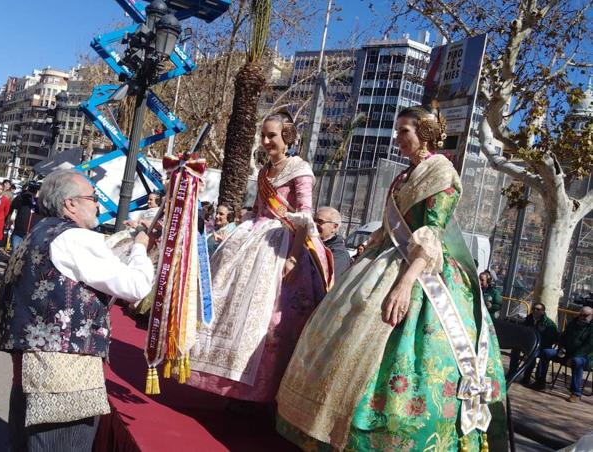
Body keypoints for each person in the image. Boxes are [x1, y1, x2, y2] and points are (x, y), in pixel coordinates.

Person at [276, 106, 507, 451]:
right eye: (397, 131)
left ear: (425, 134)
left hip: (421, 270)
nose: (397, 139)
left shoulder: (442, 173)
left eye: (404, 132)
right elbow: (392, 224)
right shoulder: (403, 176)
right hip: (382, 260)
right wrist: (373, 242)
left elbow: (431, 233)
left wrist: (404, 285)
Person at [0, 169, 154, 451]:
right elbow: (136, 286)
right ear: (70, 204)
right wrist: (141, 248)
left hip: (29, 371)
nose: (98, 204)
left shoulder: (39, 233)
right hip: (65, 378)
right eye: (92, 198)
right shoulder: (75, 239)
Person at [188, 110, 333, 403]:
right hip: (253, 238)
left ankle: (260, 390)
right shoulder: (265, 172)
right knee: (227, 301)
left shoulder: (300, 169)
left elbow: (304, 217)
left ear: (287, 137)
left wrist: (292, 257)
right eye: (263, 136)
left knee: (271, 318)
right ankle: (227, 382)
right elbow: (257, 210)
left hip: (283, 244)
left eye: (272, 136)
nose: (266, 141)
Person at [532, 306, 593, 402]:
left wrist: (573, 357)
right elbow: (563, 336)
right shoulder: (573, 323)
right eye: (580, 314)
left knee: (577, 362)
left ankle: (576, 393)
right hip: (566, 353)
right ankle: (540, 382)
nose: (581, 317)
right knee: (546, 352)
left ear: (591, 316)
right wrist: (561, 348)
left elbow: (588, 346)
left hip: (584, 357)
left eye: (584, 315)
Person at [508, 302, 558, 384]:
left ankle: (528, 378)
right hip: (528, 344)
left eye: (538, 309)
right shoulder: (528, 319)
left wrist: (537, 346)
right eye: (533, 309)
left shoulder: (549, 324)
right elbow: (522, 332)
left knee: (532, 354)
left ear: (543, 311)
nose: (535, 311)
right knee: (515, 349)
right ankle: (512, 373)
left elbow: (550, 340)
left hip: (541, 346)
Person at [314, 206, 351, 276]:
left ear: (334, 227)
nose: (314, 224)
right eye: (314, 220)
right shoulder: (311, 243)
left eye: (320, 221)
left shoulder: (339, 254)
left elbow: (325, 279)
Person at [7, 182, 42, 252]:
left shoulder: (42, 202)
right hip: (19, 231)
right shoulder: (22, 198)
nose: (33, 191)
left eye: (36, 189)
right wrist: (24, 195)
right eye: (32, 189)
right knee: (15, 253)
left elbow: (43, 211)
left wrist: (38, 198)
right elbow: (12, 207)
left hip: (33, 234)